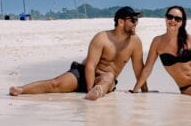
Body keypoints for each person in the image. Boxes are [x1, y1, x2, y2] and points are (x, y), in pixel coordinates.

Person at [9, 6, 147, 100]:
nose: (136, 23)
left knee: (109, 77)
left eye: (137, 20)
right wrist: (88, 88)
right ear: (121, 22)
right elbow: (91, 65)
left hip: (104, 81)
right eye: (133, 20)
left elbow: (139, 68)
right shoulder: (102, 37)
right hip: (82, 74)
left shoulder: (135, 42)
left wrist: (144, 91)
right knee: (55, 84)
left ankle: (96, 93)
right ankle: (21, 89)